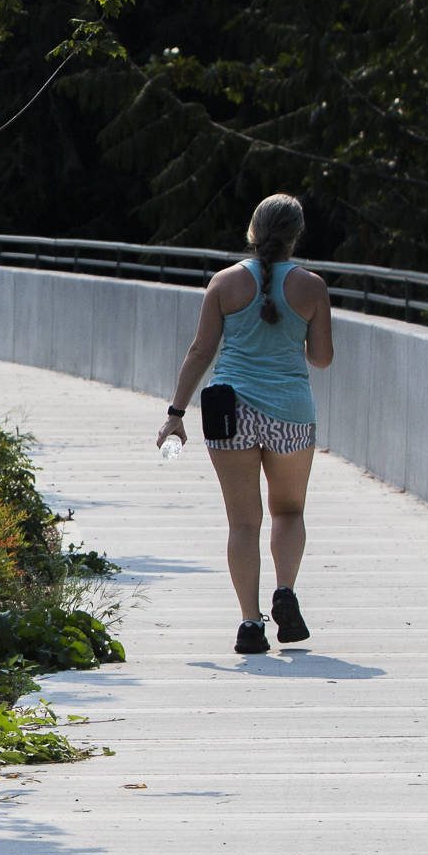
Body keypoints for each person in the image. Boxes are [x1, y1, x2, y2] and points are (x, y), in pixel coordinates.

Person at [155, 194, 335, 654]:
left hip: (229, 412)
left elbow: (200, 352)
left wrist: (176, 415)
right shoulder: (312, 287)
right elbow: (322, 358)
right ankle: (286, 593)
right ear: (296, 235)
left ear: (252, 231)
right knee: (289, 512)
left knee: (242, 523)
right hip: (291, 413)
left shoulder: (224, 283)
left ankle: (250, 625)